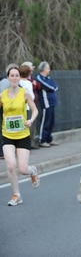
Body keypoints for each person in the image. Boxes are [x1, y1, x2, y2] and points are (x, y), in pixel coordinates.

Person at [1, 65, 39, 206]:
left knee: (23, 169)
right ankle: (17, 195)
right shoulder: (3, 95)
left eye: (17, 75)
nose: (15, 78)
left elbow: (35, 111)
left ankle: (32, 171)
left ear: (19, 78)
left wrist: (30, 120)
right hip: (7, 135)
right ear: (8, 78)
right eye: (12, 75)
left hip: (22, 134)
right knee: (11, 166)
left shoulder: (24, 93)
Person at [36, 61, 59, 147]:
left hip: (52, 102)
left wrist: (53, 87)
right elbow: (50, 87)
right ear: (44, 69)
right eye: (48, 68)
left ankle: (49, 138)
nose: (49, 70)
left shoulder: (48, 78)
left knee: (51, 122)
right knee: (45, 121)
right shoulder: (39, 78)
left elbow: (55, 86)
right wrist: (53, 87)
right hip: (46, 103)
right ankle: (42, 140)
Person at [0, 63, 18, 159]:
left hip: (13, 112)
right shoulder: (5, 82)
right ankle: (2, 152)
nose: (14, 77)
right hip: (5, 110)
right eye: (12, 75)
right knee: (4, 130)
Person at [22, 61, 41, 149]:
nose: (32, 70)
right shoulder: (27, 82)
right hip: (28, 106)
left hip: (29, 106)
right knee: (28, 125)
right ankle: (27, 145)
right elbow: (32, 93)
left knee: (31, 126)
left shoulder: (31, 79)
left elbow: (38, 86)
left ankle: (30, 143)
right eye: (31, 68)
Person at [18, 65, 37, 151]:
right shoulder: (28, 83)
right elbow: (31, 97)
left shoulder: (18, 82)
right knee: (26, 127)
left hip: (17, 107)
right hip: (26, 107)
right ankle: (25, 146)